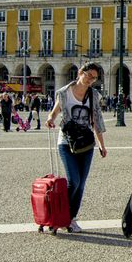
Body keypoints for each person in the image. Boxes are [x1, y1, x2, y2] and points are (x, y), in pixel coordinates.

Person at [45, 63, 108, 234]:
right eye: (88, 75)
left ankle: (70, 218)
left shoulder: (94, 95)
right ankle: (59, 214)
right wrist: (50, 119)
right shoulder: (65, 92)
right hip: (66, 141)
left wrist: (102, 144)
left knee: (81, 185)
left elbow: (96, 120)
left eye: (94, 78)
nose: (90, 80)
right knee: (75, 180)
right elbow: (55, 111)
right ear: (80, 73)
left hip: (86, 144)